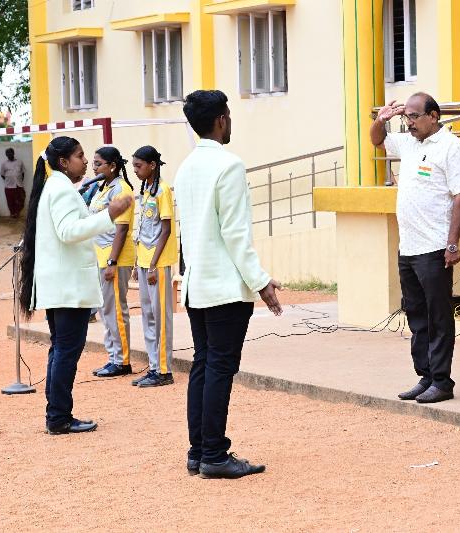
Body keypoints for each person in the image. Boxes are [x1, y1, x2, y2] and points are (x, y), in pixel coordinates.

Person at [176, 89, 282, 479]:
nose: (231, 121)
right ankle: (215, 456)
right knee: (218, 368)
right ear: (221, 120)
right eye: (229, 114)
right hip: (222, 288)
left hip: (196, 285)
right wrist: (262, 282)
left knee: (204, 366)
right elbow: (236, 234)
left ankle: (199, 450)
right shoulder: (229, 165)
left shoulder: (185, 167)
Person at [17, 136, 131, 434]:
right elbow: (69, 232)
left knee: (61, 349)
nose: (85, 162)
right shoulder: (61, 190)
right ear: (64, 162)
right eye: (80, 156)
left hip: (61, 287)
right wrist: (110, 214)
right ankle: (59, 416)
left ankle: (57, 413)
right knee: (66, 351)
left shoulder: (54, 187)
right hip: (68, 288)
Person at [370, 92, 460, 404]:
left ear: (434, 116)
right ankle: (426, 375)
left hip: (435, 248)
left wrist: (452, 243)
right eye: (407, 117)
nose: (409, 122)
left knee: (438, 316)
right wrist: (381, 119)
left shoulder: (450, 147)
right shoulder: (409, 142)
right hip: (409, 247)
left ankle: (442, 381)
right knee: (416, 314)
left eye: (414, 116)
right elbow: (377, 141)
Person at [131, 145, 178, 387]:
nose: (136, 170)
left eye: (139, 166)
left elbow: (166, 229)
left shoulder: (163, 190)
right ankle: (153, 366)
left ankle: (163, 370)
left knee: (160, 318)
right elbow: (144, 228)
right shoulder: (146, 191)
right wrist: (139, 262)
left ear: (152, 165)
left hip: (156, 264)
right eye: (134, 166)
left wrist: (152, 265)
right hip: (144, 260)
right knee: (148, 316)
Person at [88, 146, 136, 378]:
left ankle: (122, 360)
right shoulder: (102, 188)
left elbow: (121, 229)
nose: (94, 167)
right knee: (106, 309)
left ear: (113, 166)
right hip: (100, 255)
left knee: (116, 309)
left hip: (114, 258)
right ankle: (113, 357)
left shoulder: (121, 190)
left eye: (98, 163)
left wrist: (112, 262)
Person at [1, 147, 26, 218]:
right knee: (10, 201)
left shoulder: (20, 162)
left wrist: (20, 180)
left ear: (13, 153)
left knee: (21, 199)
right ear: (6, 155)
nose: (9, 154)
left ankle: (17, 212)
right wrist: (8, 180)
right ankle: (13, 213)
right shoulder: (4, 164)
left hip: (19, 185)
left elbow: (23, 173)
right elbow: (2, 174)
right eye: (7, 153)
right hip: (9, 186)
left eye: (10, 153)